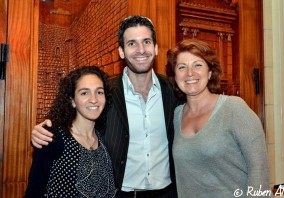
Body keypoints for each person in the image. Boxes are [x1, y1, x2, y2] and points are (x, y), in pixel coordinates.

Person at [31, 16, 179, 198]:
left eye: (146, 42)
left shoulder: (173, 91)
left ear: (155, 48)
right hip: (121, 194)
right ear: (121, 51)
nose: (141, 50)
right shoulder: (106, 92)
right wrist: (42, 131)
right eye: (132, 43)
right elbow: (76, 118)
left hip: (168, 193)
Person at [166, 38, 271, 198]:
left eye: (198, 65)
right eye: (182, 67)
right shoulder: (175, 116)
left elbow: (259, 170)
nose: (190, 73)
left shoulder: (234, 108)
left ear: (209, 72)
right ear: (175, 76)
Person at [24, 66, 116, 197]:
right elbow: (34, 191)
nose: (94, 99)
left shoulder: (104, 138)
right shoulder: (52, 137)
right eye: (84, 92)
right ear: (72, 100)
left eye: (99, 92)